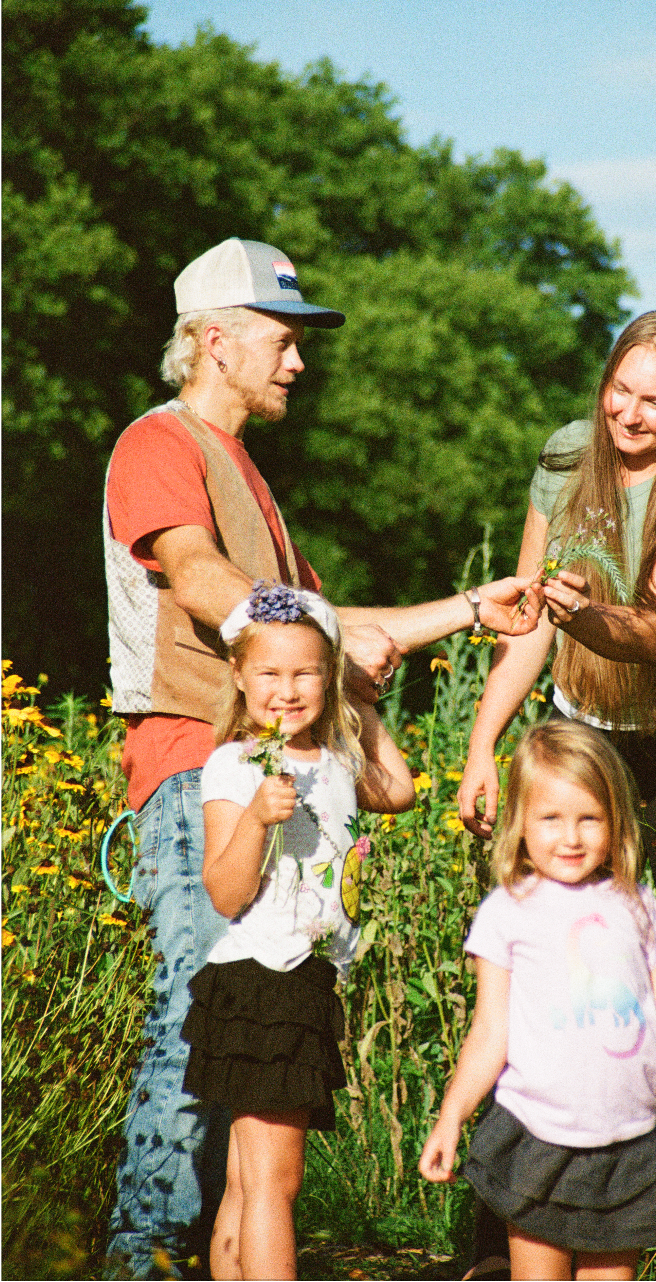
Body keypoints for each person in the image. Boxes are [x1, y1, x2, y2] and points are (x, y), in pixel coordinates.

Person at [103, 236, 543, 1278]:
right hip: (191, 766)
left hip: (266, 778)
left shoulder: (254, 479)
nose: (298, 361)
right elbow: (203, 578)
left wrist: (473, 608)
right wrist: (322, 628)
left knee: (240, 1048)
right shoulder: (157, 443)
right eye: (281, 339)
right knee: (192, 1023)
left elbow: (330, 627)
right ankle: (144, 1257)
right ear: (214, 340)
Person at [458, 311, 656, 1019]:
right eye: (619, 390)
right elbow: (525, 616)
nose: (629, 414)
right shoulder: (566, 456)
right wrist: (482, 746)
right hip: (580, 738)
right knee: (562, 949)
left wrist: (583, 616)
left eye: (655, 402)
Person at [421, 721, 656, 1282]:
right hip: (539, 1141)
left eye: (589, 818)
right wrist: (451, 1117)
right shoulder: (508, 912)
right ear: (519, 823)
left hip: (628, 1148)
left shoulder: (636, 906)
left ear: (616, 822)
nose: (571, 838)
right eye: (551, 819)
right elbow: (490, 1032)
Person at [180, 582, 414, 1279]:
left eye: (307, 671)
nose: (287, 689)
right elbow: (224, 891)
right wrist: (255, 818)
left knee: (251, 1179)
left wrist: (362, 703)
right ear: (240, 677)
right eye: (270, 673)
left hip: (300, 979)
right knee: (276, 1184)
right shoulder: (236, 764)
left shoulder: (337, 760)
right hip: (265, 978)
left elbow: (397, 790)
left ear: (329, 675)